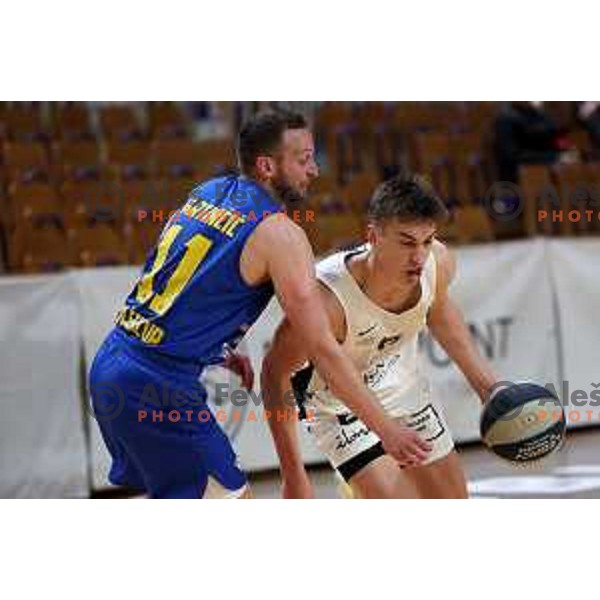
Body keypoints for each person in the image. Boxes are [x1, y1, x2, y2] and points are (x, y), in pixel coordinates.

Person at [88, 110, 431, 499]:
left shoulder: (208, 192)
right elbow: (321, 347)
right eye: (303, 159)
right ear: (267, 166)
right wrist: (386, 429)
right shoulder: (282, 236)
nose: (314, 170)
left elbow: (169, 280)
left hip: (112, 361)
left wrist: (214, 346)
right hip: (157, 382)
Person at [261, 173, 499, 498]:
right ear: (373, 236)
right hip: (337, 407)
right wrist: (293, 474)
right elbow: (275, 373)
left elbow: (439, 312)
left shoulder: (437, 262)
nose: (418, 256)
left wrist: (487, 387)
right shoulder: (325, 300)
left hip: (401, 388)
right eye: (406, 242)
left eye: (426, 241)